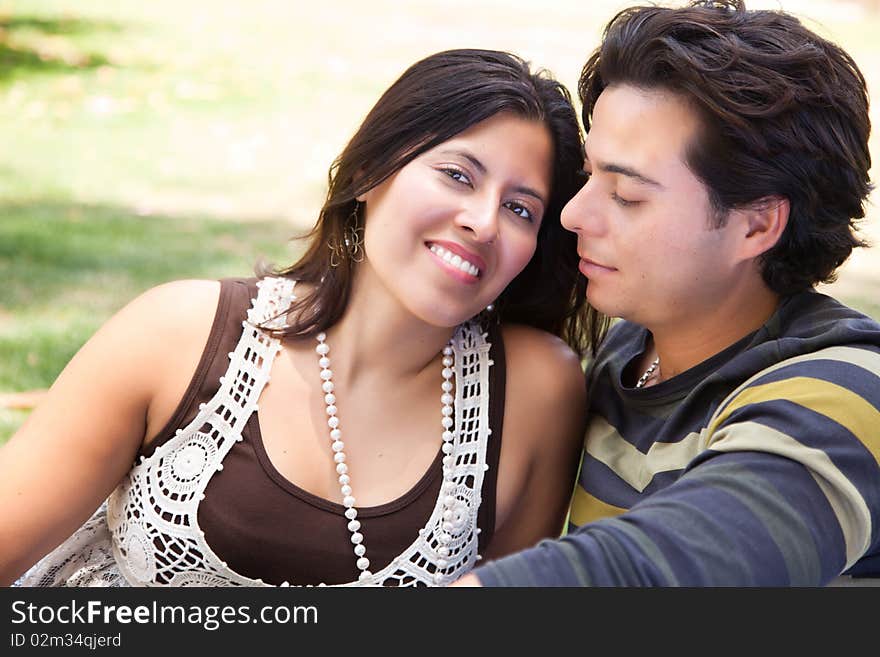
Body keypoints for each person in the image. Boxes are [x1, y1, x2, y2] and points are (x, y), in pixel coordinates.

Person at [0, 49, 604, 587]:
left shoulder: (534, 391)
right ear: (374, 171)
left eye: (521, 209)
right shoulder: (178, 336)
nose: (484, 221)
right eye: (456, 176)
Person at [454, 0, 880, 587]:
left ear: (756, 226)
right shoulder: (629, 348)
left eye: (627, 195)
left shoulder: (846, 394)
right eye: (588, 175)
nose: (575, 214)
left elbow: (667, 570)